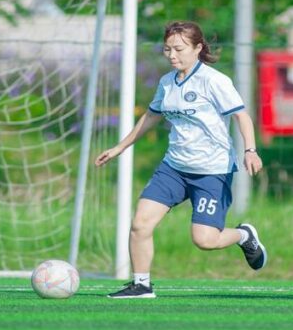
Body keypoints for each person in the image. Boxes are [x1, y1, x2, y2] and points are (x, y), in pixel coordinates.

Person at [95, 21, 266, 299]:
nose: (172, 55)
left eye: (178, 49)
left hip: (212, 171)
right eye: (167, 49)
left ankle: (244, 235)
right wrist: (119, 147)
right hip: (173, 168)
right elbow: (151, 116)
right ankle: (141, 285)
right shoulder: (167, 82)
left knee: (204, 240)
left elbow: (241, 116)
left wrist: (250, 150)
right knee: (140, 223)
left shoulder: (214, 81)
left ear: (198, 48)